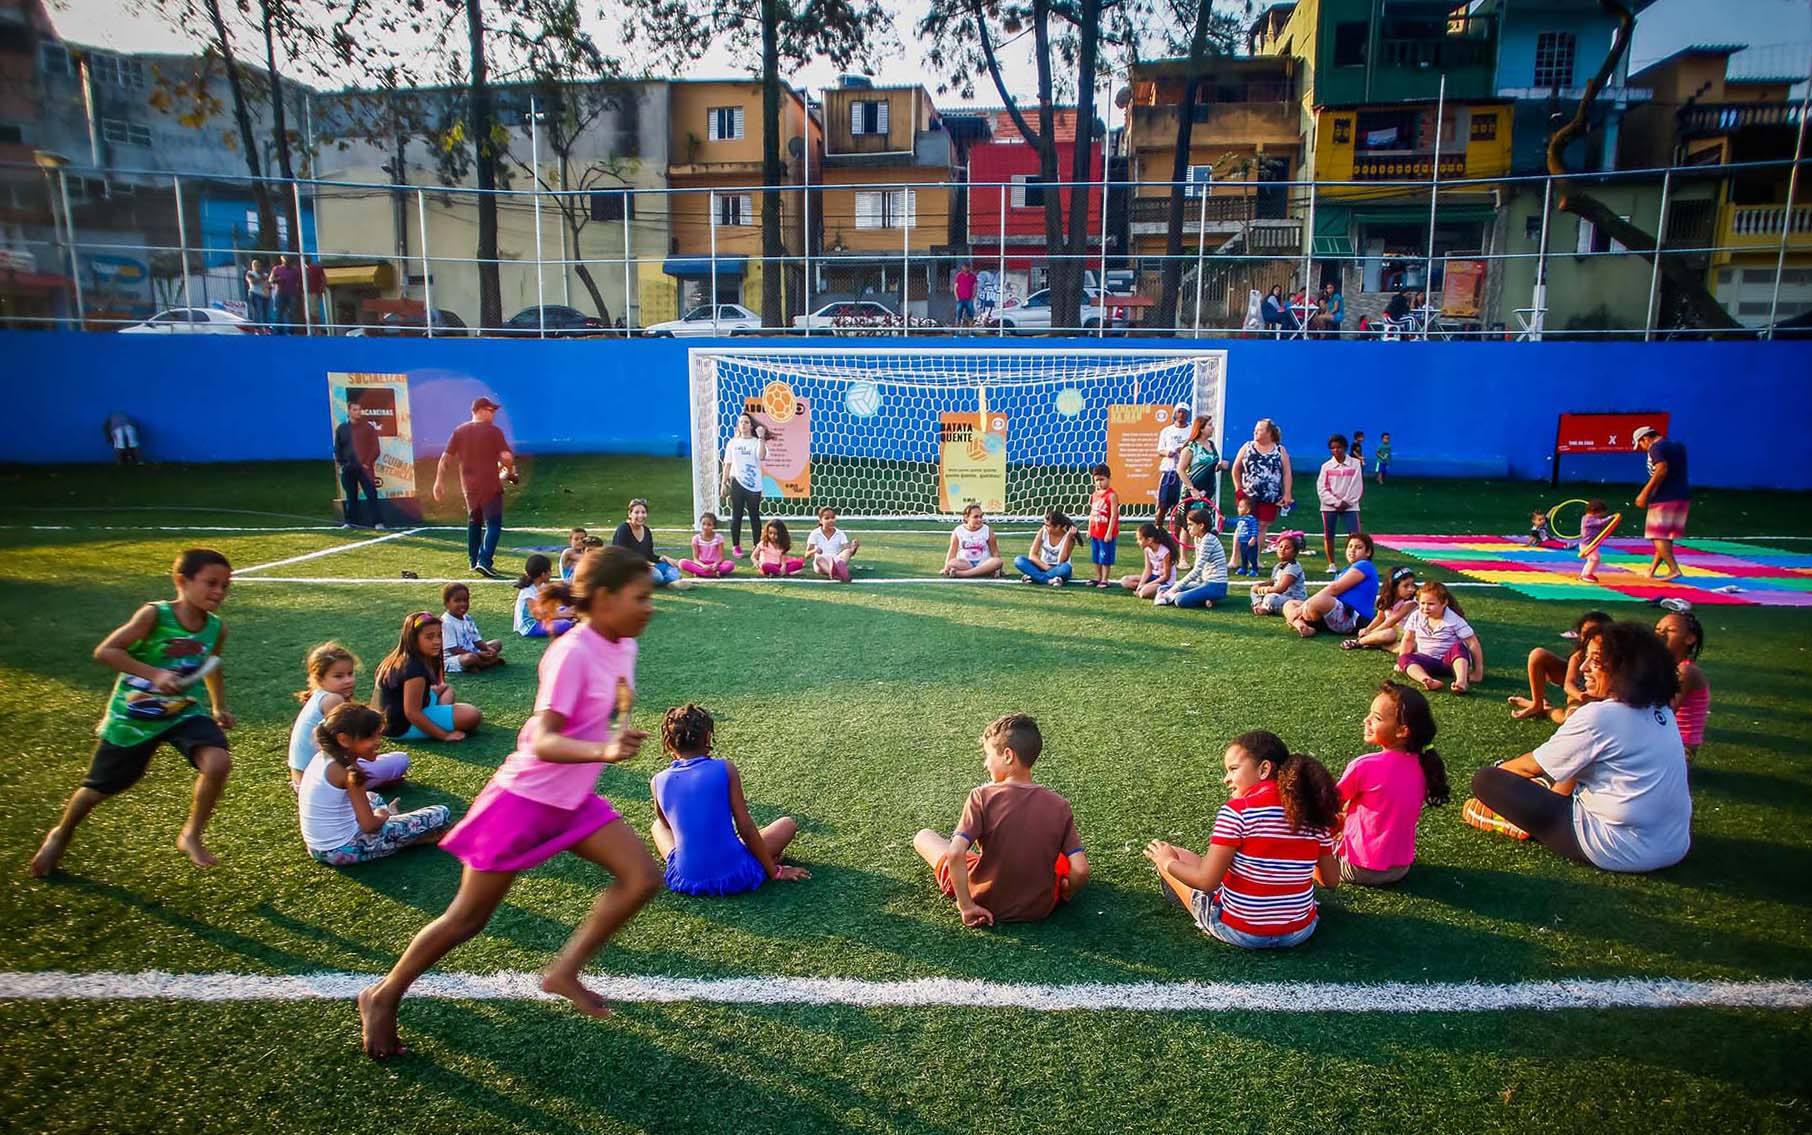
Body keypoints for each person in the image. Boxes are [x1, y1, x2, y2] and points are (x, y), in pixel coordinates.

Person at [359, 547, 664, 1059]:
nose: (649, 607)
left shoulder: (622, 643)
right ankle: (382, 996)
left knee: (642, 879)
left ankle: (564, 971)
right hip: (525, 799)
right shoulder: (571, 653)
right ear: (606, 599)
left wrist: (609, 733)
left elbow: (593, 712)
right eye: (640, 597)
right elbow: (542, 741)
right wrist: (604, 749)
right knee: (467, 919)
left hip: (571, 800)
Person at [30, 549, 236, 876]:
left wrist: (218, 706)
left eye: (225, 586)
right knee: (98, 789)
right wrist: (154, 674)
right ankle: (61, 833)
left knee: (218, 761)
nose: (219, 592)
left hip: (184, 710)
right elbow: (107, 651)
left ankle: (191, 834)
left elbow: (212, 666)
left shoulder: (216, 628)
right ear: (181, 581)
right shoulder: (154, 615)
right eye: (211, 583)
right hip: (135, 716)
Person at [1468, 622, 1692, 874]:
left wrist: (1499, 781)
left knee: (1485, 780)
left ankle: (1516, 820)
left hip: (1619, 848)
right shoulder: (1660, 708)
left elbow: (1530, 767)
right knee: (1574, 762)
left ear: (1624, 668)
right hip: (1673, 844)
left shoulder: (1601, 716)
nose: (1583, 668)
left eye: (1595, 661)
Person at [1144, 730, 1340, 949]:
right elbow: (1330, 881)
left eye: (1233, 769)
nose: (1226, 779)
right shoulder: (1313, 813)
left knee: (1175, 856)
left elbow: (1207, 882)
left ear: (1264, 769)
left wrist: (1166, 862)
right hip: (1299, 932)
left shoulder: (1238, 811)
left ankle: (1182, 891)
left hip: (1240, 932)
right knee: (1204, 864)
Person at [912, 713, 1088, 927]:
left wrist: (966, 906)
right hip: (1039, 907)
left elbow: (956, 854)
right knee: (1058, 857)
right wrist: (1067, 892)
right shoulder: (1059, 805)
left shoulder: (981, 796)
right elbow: (1080, 869)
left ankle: (974, 892)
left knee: (924, 836)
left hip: (983, 898)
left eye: (988, 755)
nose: (986, 764)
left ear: (1007, 755)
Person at [650, 703, 809, 895]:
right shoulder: (725, 769)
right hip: (736, 875)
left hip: (687, 880)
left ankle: (697, 859)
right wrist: (775, 872)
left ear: (669, 744)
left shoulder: (658, 780)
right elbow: (746, 828)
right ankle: (759, 857)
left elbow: (666, 823)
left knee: (657, 827)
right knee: (787, 824)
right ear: (708, 737)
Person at [298, 704, 452, 867]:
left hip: (317, 848)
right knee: (440, 813)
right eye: (370, 737)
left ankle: (397, 831)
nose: (378, 742)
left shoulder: (323, 758)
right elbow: (369, 826)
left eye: (378, 735)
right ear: (343, 739)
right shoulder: (349, 771)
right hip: (344, 849)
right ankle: (409, 838)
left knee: (373, 797)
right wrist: (383, 814)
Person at [1335, 683, 1450, 885]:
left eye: (1376, 718)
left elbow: (1327, 805)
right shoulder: (1424, 765)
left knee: (1309, 838)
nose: (1366, 720)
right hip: (1400, 869)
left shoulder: (1364, 766)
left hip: (1357, 868)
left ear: (1402, 731)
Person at [290, 642, 409, 789]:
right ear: (319, 679)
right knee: (400, 760)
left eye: (350, 674)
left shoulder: (320, 696)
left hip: (305, 778)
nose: (348, 680)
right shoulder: (332, 700)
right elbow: (349, 745)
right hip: (321, 781)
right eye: (338, 676)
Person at [434, 397, 516, 579]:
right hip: (490, 485)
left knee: (474, 523)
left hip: (469, 487)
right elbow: (507, 457)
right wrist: (509, 471)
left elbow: (445, 459)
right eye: (490, 410)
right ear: (479, 410)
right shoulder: (494, 432)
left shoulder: (459, 431)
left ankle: (473, 561)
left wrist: (438, 481)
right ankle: (485, 561)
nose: (493, 413)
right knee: (493, 524)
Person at [374, 611, 483, 743]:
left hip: (391, 719)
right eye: (429, 637)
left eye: (439, 636)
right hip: (402, 727)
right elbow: (412, 713)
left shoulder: (399, 658)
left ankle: (438, 715)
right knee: (472, 715)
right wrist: (444, 735)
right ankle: (435, 724)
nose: (437, 641)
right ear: (413, 639)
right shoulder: (414, 668)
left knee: (446, 689)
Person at [1508, 610, 1614, 722]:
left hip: (1601, 693)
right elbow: (1569, 683)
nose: (1589, 639)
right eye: (1585, 634)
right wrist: (1582, 696)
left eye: (1594, 634)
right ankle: (1542, 707)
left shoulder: (1617, 657)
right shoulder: (1578, 657)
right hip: (1581, 691)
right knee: (1570, 718)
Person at [1395, 580, 1485, 695]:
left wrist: (1478, 671)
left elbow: (1473, 643)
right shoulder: (1416, 616)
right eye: (1422, 603)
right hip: (1426, 661)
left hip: (1450, 664)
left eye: (1431, 604)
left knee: (1459, 647)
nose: (1425, 607)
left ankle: (1461, 682)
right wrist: (1402, 661)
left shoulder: (1454, 619)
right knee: (1404, 658)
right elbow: (1408, 639)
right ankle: (1426, 679)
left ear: (1444, 603)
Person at [1284, 532, 1380, 638]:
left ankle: (1298, 620)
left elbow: (1335, 588)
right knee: (1289, 604)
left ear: (1368, 552)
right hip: (1335, 614)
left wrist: (1302, 608)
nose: (1352, 550)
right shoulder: (1345, 570)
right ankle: (1301, 626)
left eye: (1358, 547)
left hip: (1353, 618)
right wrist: (1305, 606)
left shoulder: (1365, 565)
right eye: (1350, 546)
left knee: (1317, 600)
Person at [1229, 418, 1292, 560]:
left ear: (1269, 432)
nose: (1255, 431)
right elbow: (1236, 469)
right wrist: (1238, 488)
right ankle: (1235, 558)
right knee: (1243, 525)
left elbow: (1287, 473)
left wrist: (1287, 493)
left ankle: (1255, 559)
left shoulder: (1280, 450)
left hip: (1270, 496)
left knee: (1262, 526)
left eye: (1260, 429)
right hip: (1248, 495)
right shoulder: (1247, 447)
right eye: (1255, 429)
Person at [1633, 425, 1690, 580]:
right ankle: (1651, 569)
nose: (1642, 448)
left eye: (1641, 444)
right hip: (1682, 495)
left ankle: (1674, 569)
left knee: (1657, 535)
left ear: (1645, 438)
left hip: (1664, 496)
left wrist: (1644, 493)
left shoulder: (1656, 448)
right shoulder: (1678, 446)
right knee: (1665, 536)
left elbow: (1661, 469)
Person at [1656, 609, 1709, 761]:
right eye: (1658, 629)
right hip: (1664, 737)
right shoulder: (1665, 667)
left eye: (1670, 630)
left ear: (1690, 639)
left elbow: (1665, 710)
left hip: (1680, 746)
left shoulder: (1686, 671)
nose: (1661, 635)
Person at [1156, 504, 1228, 609]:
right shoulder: (1198, 538)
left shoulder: (1208, 540)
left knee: (1180, 600)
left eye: (1190, 524)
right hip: (1203, 582)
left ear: (1201, 526)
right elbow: (1200, 567)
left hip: (1216, 585)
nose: (1188, 528)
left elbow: (1197, 569)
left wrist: (1175, 589)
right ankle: (1204, 599)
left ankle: (1198, 598)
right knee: (1163, 588)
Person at [334, 394, 384, 530]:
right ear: (349, 411)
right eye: (355, 410)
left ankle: (378, 523)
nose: (358, 412)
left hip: (365, 469)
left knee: (371, 495)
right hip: (349, 469)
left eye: (359, 409)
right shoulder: (342, 429)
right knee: (351, 496)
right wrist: (343, 463)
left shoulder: (368, 428)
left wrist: (367, 463)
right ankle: (351, 523)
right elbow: (338, 448)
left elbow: (375, 448)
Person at [1316, 434, 1364, 574]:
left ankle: (1356, 564)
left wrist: (1347, 502)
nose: (1336, 450)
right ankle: (1332, 563)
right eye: (1333, 448)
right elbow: (1321, 488)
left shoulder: (1355, 464)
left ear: (1345, 448)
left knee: (1355, 535)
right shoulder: (1326, 466)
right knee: (1329, 535)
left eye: (1339, 447)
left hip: (1350, 506)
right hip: (1329, 506)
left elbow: (1357, 485)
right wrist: (1335, 502)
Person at [613, 498, 687, 589]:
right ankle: (666, 582)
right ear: (630, 514)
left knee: (672, 570)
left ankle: (667, 582)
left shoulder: (646, 531)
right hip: (628, 568)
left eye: (643, 512)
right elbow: (620, 556)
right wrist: (644, 565)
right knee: (657, 576)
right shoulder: (623, 529)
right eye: (636, 512)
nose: (640, 515)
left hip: (645, 568)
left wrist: (663, 558)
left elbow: (649, 555)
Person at [1341, 566, 1419, 650]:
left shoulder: (1411, 603)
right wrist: (1367, 629)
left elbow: (1391, 620)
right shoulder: (1386, 600)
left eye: (1412, 585)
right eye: (1406, 586)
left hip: (1407, 634)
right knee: (1390, 633)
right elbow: (1380, 618)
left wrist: (1370, 633)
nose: (1411, 589)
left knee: (1411, 646)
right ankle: (1366, 642)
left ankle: (1363, 642)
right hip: (1391, 632)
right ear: (1393, 587)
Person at [721, 413, 766, 558]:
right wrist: (723, 483)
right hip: (737, 483)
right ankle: (736, 546)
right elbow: (727, 464)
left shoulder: (756, 441)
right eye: (741, 422)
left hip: (754, 484)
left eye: (746, 422)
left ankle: (756, 546)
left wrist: (761, 438)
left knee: (754, 515)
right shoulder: (732, 443)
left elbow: (761, 456)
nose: (744, 424)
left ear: (751, 425)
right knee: (737, 515)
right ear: (738, 425)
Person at [442, 583, 504, 673]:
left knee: (497, 643)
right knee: (469, 658)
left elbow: (476, 640)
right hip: (453, 657)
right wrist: (479, 654)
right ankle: (487, 663)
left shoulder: (467, 618)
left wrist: (488, 649)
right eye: (457, 601)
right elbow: (453, 650)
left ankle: (476, 665)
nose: (463, 604)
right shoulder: (446, 622)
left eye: (465, 600)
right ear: (447, 603)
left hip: (472, 650)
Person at [515, 555, 575, 638]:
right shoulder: (528, 591)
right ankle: (572, 622)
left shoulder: (541, 586)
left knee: (564, 608)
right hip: (531, 627)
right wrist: (562, 615)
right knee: (565, 624)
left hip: (541, 619)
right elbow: (538, 616)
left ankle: (571, 619)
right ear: (543, 574)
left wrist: (564, 611)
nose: (551, 573)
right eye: (550, 570)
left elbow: (547, 609)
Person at [1154, 403, 1192, 532]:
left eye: (1184, 412)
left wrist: (1184, 451)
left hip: (1184, 473)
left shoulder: (1192, 431)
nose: (1181, 414)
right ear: (1175, 413)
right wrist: (1168, 452)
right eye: (1179, 411)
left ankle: (1176, 534)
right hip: (1169, 472)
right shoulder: (1167, 431)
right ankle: (1157, 531)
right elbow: (1159, 450)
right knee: (1163, 505)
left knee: (1179, 506)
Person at [1015, 508, 1076, 587]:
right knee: (1019, 560)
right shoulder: (1043, 531)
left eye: (1048, 526)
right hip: (1042, 565)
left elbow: (1061, 561)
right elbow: (1032, 555)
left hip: (1058, 569)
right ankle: (1049, 580)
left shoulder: (1069, 538)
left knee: (1066, 568)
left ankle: (1035, 577)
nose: (1045, 527)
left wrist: (1068, 538)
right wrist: (1046, 567)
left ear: (1057, 527)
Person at [1250, 533, 1307, 616]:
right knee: (1253, 590)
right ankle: (1260, 606)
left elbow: (1281, 588)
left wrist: (1262, 590)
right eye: (1280, 547)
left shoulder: (1293, 567)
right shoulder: (1279, 565)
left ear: (1294, 552)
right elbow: (1273, 581)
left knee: (1271, 598)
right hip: (1279, 595)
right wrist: (1259, 585)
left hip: (1292, 599)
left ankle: (1266, 608)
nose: (1282, 550)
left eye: (1287, 548)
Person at [942, 504, 1004, 578]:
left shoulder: (987, 530)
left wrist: (999, 569)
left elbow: (995, 551)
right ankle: (984, 572)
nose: (979, 519)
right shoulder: (958, 530)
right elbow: (952, 551)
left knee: (998, 562)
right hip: (965, 564)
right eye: (976, 517)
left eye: (981, 516)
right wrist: (946, 567)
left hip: (984, 563)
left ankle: (962, 574)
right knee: (951, 563)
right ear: (966, 517)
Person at [1121, 522, 1179, 599]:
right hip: (1153, 577)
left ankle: (1163, 590)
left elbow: (1166, 577)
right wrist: (1141, 584)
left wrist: (1146, 585)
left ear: (1149, 539)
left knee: (1143, 593)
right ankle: (1148, 588)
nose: (1138, 542)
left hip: (1165, 582)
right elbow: (1148, 569)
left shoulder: (1165, 552)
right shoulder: (1147, 550)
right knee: (1125, 581)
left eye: (1140, 539)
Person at [1086, 463, 1120, 589]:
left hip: (1105, 532)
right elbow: (1092, 512)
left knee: (1105, 556)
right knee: (1096, 556)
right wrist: (1089, 529)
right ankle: (1098, 577)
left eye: (1102, 479)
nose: (1099, 483)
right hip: (1095, 531)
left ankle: (1105, 579)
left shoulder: (1112, 495)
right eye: (1097, 480)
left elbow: (1114, 516)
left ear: (1108, 479)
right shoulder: (1094, 495)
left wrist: (1109, 532)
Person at [805, 506, 860, 583]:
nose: (831, 520)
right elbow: (806, 555)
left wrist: (854, 548)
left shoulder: (840, 533)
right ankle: (836, 574)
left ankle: (838, 571)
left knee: (847, 551)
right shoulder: (815, 533)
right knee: (818, 559)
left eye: (833, 518)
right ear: (821, 521)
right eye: (827, 518)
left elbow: (849, 553)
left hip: (836, 560)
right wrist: (814, 550)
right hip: (822, 563)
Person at [680, 512, 736, 578]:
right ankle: (712, 574)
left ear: (713, 526)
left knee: (730, 564)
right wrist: (703, 566)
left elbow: (721, 557)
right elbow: (696, 559)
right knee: (682, 562)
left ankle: (701, 573)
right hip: (701, 564)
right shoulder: (696, 538)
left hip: (715, 565)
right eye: (703, 524)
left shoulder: (718, 537)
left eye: (709, 525)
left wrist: (715, 564)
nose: (705, 527)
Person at [1578, 500, 1613, 582]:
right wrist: (1611, 517)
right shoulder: (1588, 519)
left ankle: (1585, 574)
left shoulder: (1593, 518)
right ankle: (1586, 575)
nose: (1602, 515)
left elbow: (1601, 524)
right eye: (1601, 513)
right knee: (1594, 559)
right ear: (1595, 511)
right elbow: (1600, 523)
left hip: (1592, 544)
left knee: (1593, 559)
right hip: (1587, 544)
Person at [269, 255, 301, 333]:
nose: (288, 263)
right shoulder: (277, 269)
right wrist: (278, 279)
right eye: (286, 261)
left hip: (292, 293)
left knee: (292, 312)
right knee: (279, 312)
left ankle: (292, 330)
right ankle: (279, 330)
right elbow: (270, 280)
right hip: (280, 293)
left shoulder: (295, 270)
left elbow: (299, 281)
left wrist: (298, 291)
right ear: (283, 261)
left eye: (289, 261)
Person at [1230, 497, 1260, 576]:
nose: (1238, 509)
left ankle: (1254, 569)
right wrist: (1224, 519)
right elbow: (1232, 522)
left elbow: (1255, 529)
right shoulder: (1240, 519)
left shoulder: (1251, 519)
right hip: (1242, 542)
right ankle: (1244, 568)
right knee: (1244, 556)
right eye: (1238, 507)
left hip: (1250, 542)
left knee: (1252, 556)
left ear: (1247, 510)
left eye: (1240, 507)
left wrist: (1253, 538)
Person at [243, 257, 270, 328]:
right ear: (253, 266)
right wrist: (261, 278)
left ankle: (266, 327)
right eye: (256, 266)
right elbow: (253, 281)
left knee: (265, 313)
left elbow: (268, 284)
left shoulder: (265, 274)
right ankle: (256, 328)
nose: (259, 267)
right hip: (255, 294)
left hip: (264, 295)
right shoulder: (250, 273)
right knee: (257, 311)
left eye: (259, 265)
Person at [953, 263, 978, 328]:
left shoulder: (973, 276)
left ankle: (971, 332)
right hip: (960, 299)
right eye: (964, 267)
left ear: (969, 268)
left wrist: (973, 297)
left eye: (967, 267)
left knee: (970, 316)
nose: (966, 269)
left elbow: (975, 287)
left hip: (969, 299)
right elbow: (955, 287)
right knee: (958, 315)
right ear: (962, 267)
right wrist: (957, 297)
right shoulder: (959, 275)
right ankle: (957, 332)